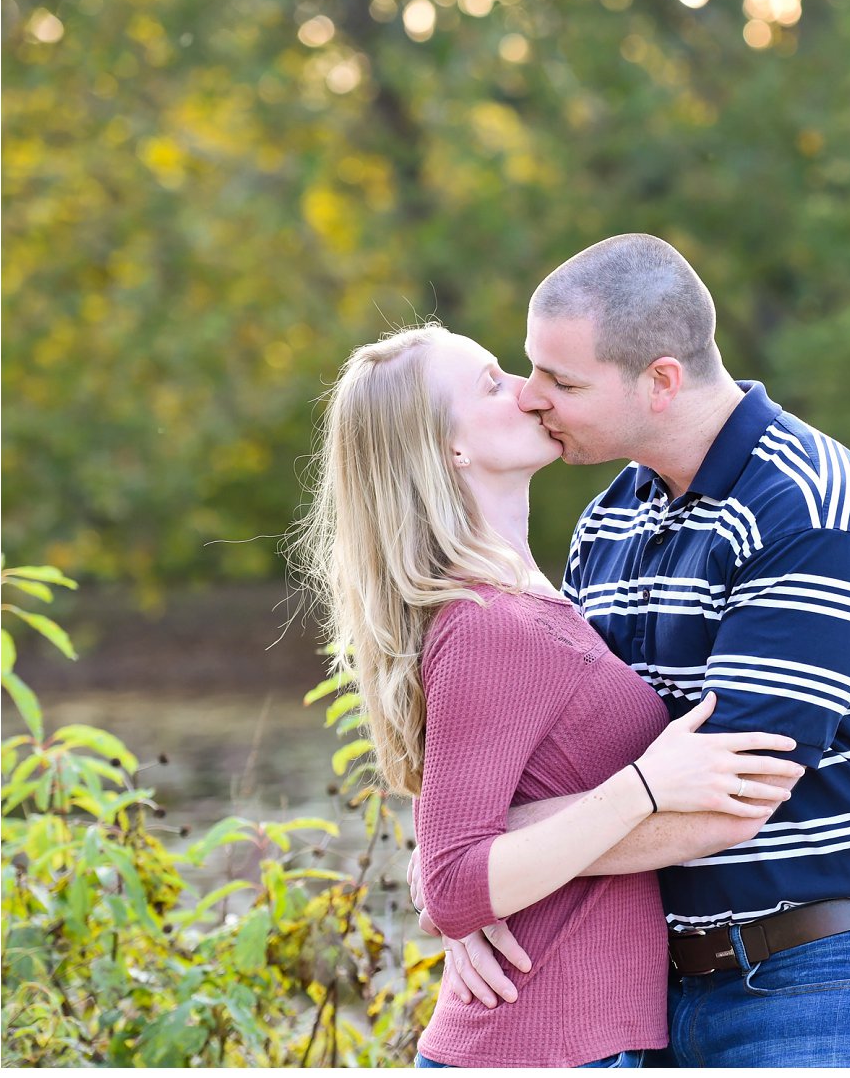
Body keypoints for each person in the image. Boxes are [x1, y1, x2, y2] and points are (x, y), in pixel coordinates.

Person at [414, 234, 850, 1067]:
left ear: (660, 380)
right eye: (532, 369)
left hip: (828, 976)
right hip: (660, 990)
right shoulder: (610, 519)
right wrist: (478, 875)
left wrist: (482, 865)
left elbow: (727, 801)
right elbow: (579, 766)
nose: (532, 396)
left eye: (562, 380)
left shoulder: (809, 513)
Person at [288, 324, 804, 1068]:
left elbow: (457, 854)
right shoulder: (489, 624)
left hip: (574, 1037)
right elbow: (455, 881)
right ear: (449, 449)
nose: (530, 393)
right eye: (494, 383)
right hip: (537, 1043)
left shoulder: (535, 603)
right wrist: (646, 787)